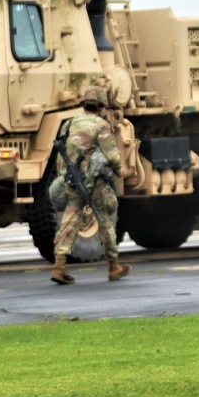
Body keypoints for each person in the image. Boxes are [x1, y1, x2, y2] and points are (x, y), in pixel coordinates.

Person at [51, 86, 130, 285]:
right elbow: (111, 154)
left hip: (73, 180)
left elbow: (61, 152)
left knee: (69, 222)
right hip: (95, 183)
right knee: (105, 221)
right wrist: (120, 169)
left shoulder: (69, 124)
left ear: (84, 104)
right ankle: (114, 266)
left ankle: (59, 266)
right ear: (102, 107)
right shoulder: (101, 126)